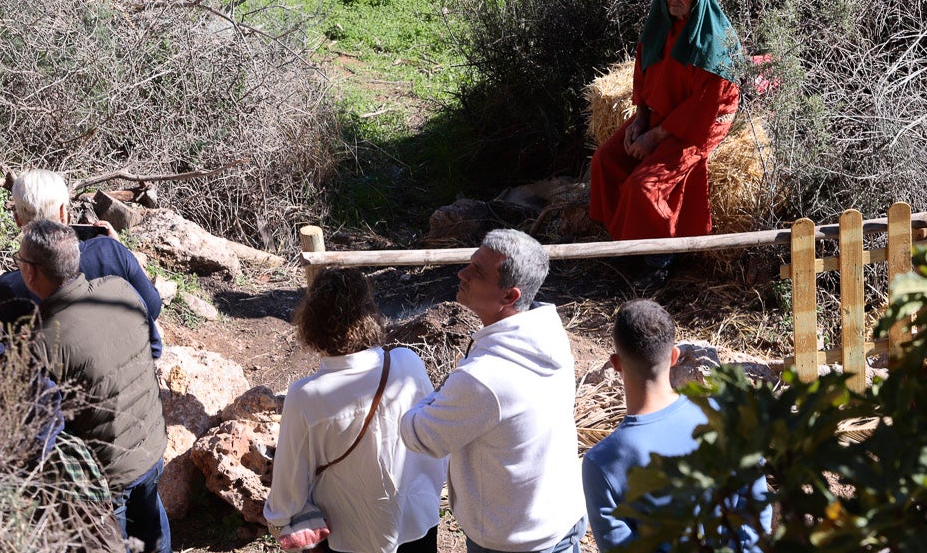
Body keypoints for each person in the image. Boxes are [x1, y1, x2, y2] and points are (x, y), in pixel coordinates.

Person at [400, 229, 586, 553]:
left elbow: (420, 435)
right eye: (470, 263)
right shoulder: (548, 334)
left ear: (509, 296)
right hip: (560, 520)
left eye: (478, 272)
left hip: (513, 541)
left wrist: (429, 395)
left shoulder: (484, 378)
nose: (462, 273)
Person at [265, 268, 446, 553]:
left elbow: (288, 489)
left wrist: (278, 522)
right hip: (416, 519)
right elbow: (434, 441)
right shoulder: (407, 364)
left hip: (351, 535)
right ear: (370, 314)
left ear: (311, 322)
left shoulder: (305, 395)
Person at [22, 219, 171, 553]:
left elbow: (41, 431)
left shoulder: (41, 341)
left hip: (106, 479)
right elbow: (155, 348)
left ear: (30, 273)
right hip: (151, 447)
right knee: (153, 531)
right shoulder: (118, 290)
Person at [582, 299, 771, 552]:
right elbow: (755, 509)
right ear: (674, 356)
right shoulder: (728, 416)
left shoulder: (601, 463)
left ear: (616, 364)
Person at [589, 0, 741, 243]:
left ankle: (658, 259)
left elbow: (702, 108)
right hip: (659, 113)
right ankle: (619, 236)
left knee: (644, 186)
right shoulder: (659, 28)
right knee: (604, 160)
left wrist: (654, 137)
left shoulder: (717, 45)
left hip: (697, 126)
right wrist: (641, 118)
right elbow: (643, 75)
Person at [0, 169, 163, 357]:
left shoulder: (6, 288)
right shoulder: (109, 251)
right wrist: (120, 249)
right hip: (132, 368)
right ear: (64, 213)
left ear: (17, 220)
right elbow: (153, 307)